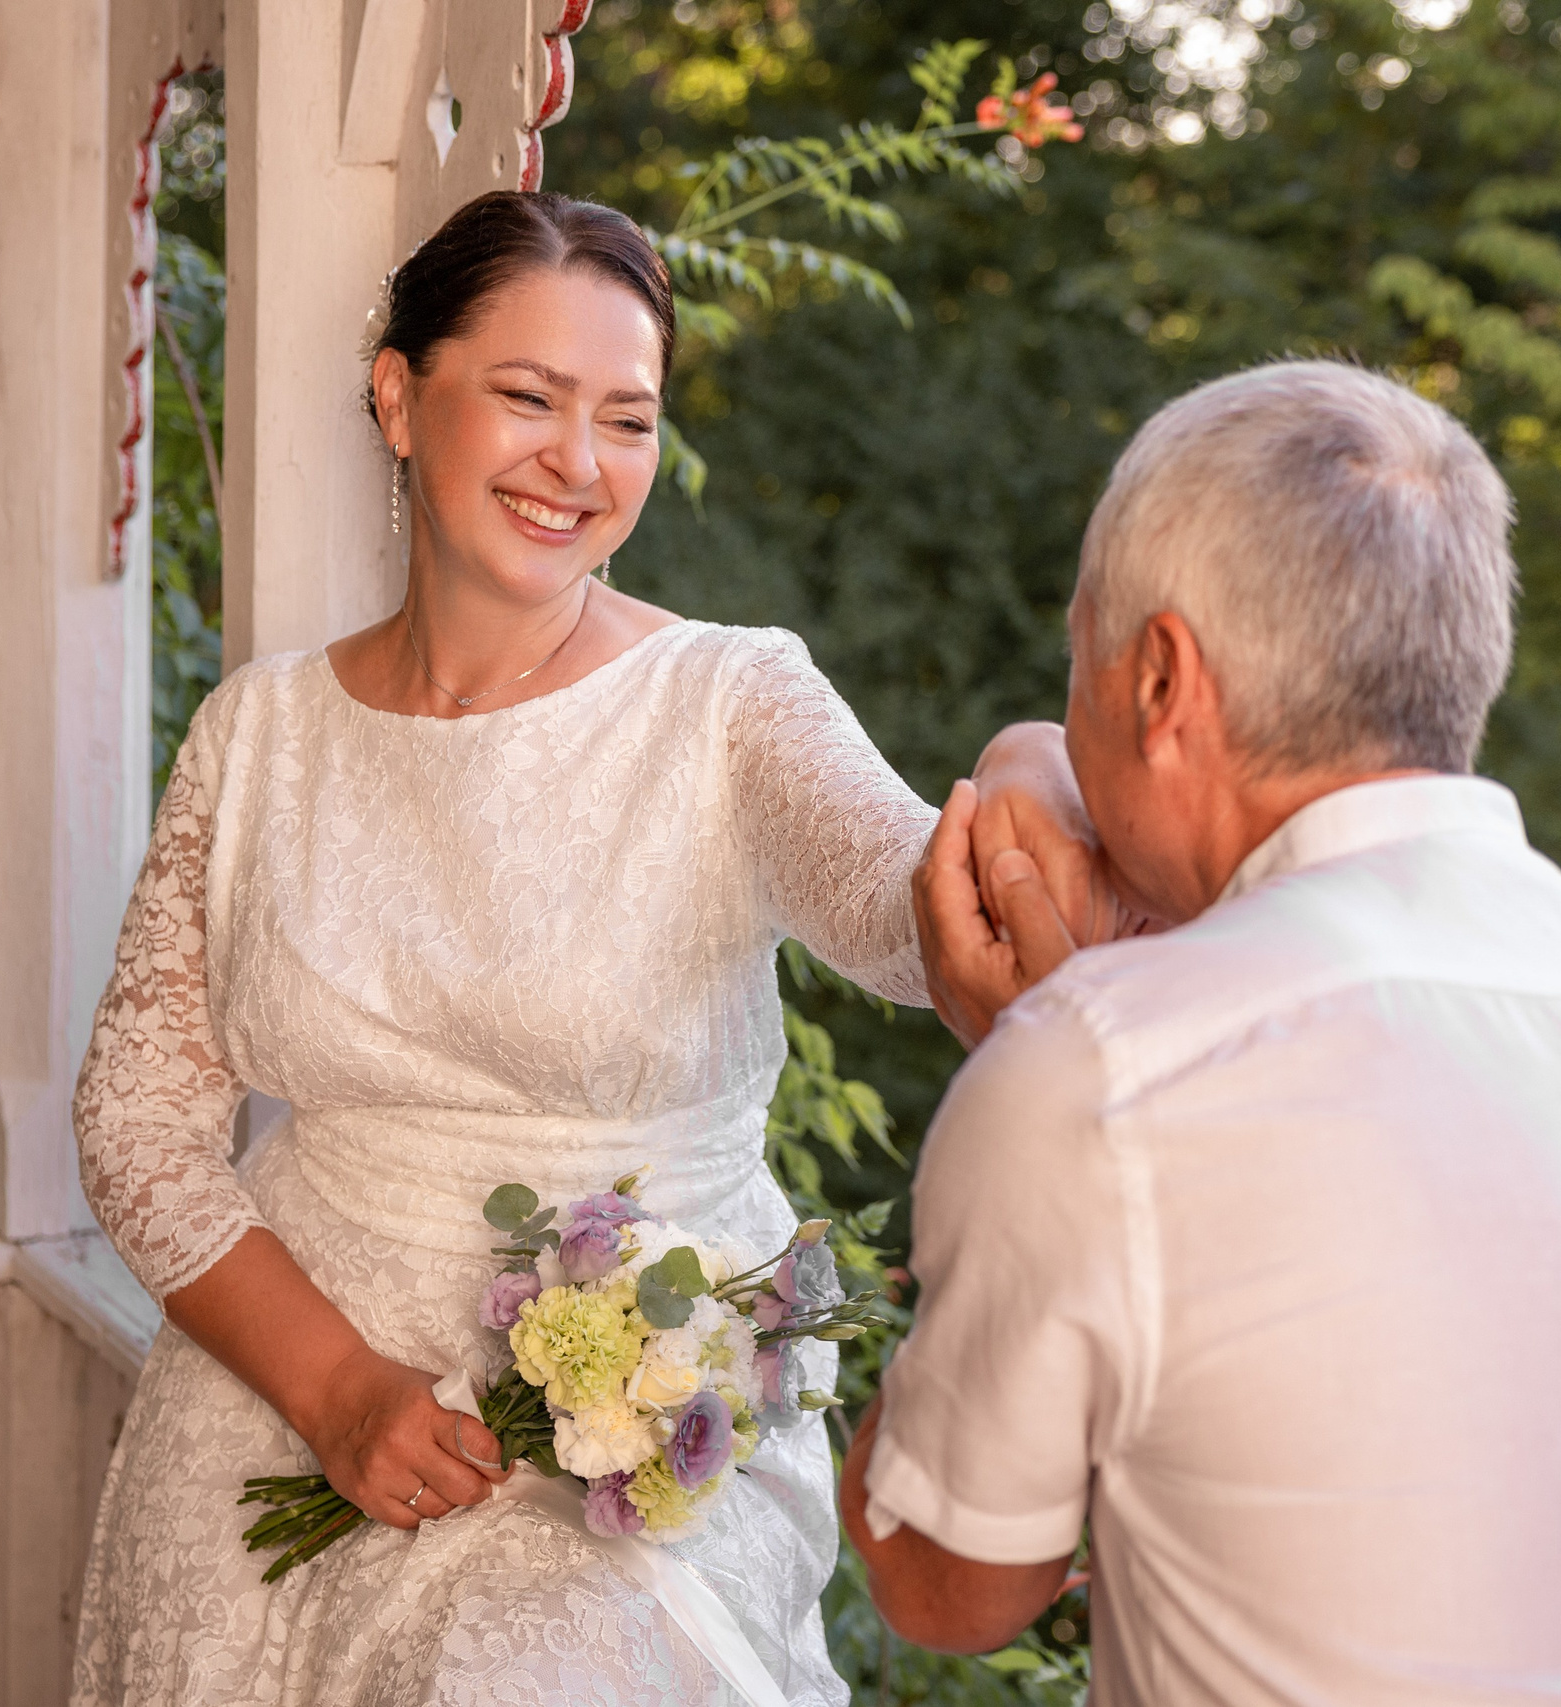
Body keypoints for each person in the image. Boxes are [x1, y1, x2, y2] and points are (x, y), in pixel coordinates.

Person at [69, 190, 1096, 1707]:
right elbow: (137, 1118)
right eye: (530, 400)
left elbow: (904, 908)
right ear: (400, 397)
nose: (581, 464)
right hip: (276, 1402)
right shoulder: (260, 732)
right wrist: (337, 1389)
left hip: (627, 1447)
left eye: (628, 419)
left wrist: (1029, 786)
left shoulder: (734, 704)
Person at [847, 360, 1561, 1704]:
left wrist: (1030, 1046)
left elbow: (938, 1583)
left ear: (1159, 680)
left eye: (1074, 656)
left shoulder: (1105, 1074)